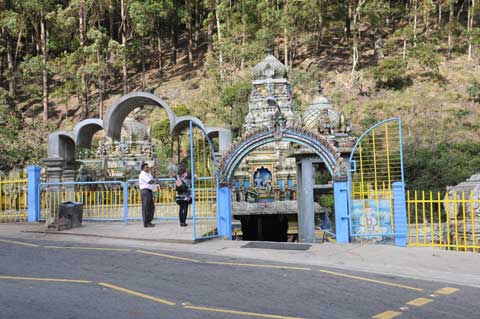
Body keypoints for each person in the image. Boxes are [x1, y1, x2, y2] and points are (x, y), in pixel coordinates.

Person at [139, 163, 158, 228]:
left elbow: (153, 178)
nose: (148, 168)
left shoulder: (148, 173)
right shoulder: (142, 174)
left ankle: (149, 221)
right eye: (146, 167)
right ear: (143, 168)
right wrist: (155, 180)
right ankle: (146, 223)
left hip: (149, 191)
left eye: (148, 167)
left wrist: (155, 171)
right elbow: (150, 181)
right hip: (145, 191)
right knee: (146, 207)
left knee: (151, 207)